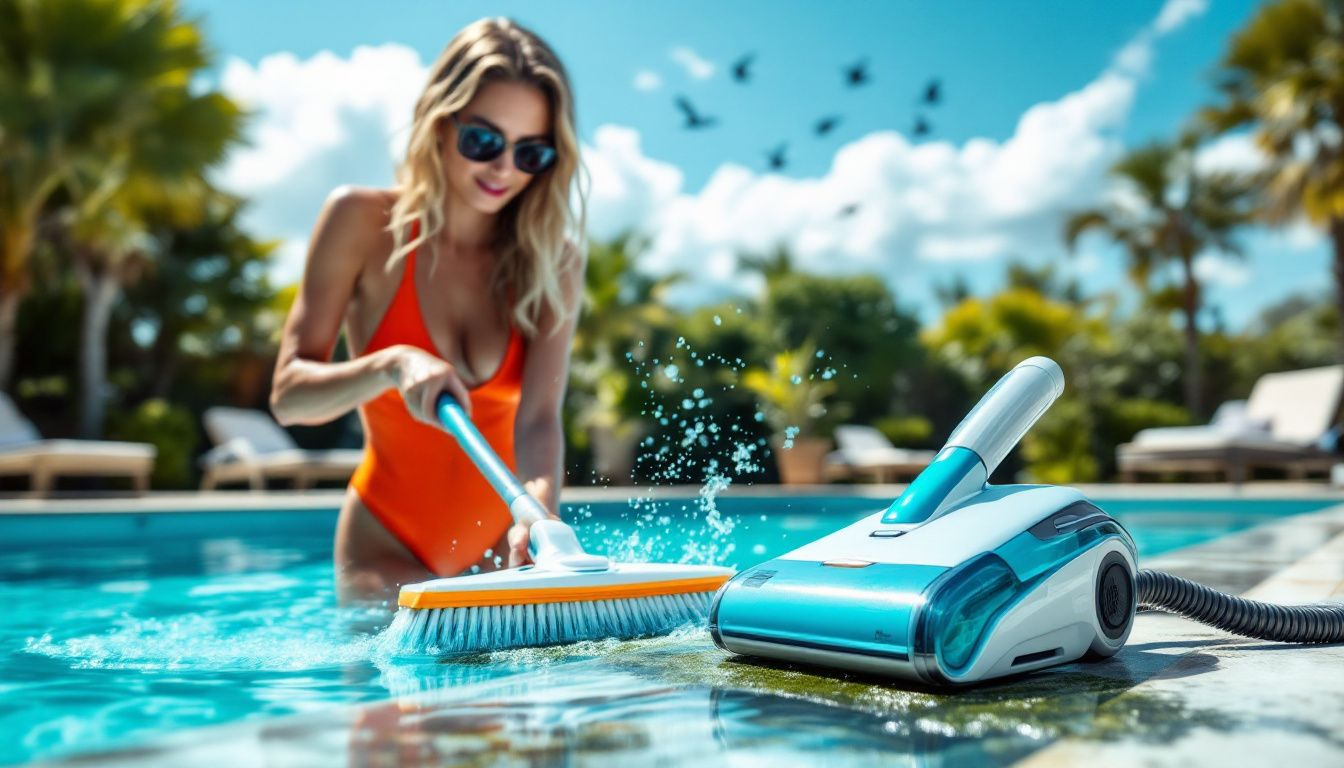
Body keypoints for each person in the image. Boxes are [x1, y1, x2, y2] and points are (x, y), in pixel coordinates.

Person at [269, 17, 586, 601]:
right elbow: (289, 396)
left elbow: (539, 418)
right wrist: (391, 365)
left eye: (531, 152)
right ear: (441, 123)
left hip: (503, 555)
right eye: (484, 142)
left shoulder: (551, 260)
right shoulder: (361, 224)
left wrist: (538, 514)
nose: (503, 169)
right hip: (385, 546)